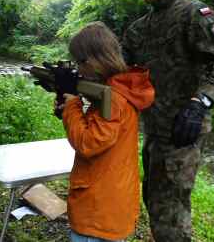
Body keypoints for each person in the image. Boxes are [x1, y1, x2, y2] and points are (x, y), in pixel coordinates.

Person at [121, 0, 214, 241]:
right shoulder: (140, 28)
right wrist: (79, 76)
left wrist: (201, 103)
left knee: (171, 209)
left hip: (184, 131)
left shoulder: (194, 14)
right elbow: (117, 66)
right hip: (155, 130)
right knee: (154, 197)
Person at [59, 21, 155, 242]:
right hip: (110, 200)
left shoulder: (113, 99)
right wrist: (70, 107)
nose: (78, 70)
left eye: (78, 63)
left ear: (92, 61)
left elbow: (88, 142)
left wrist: (73, 105)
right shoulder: (121, 89)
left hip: (98, 209)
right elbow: (98, 129)